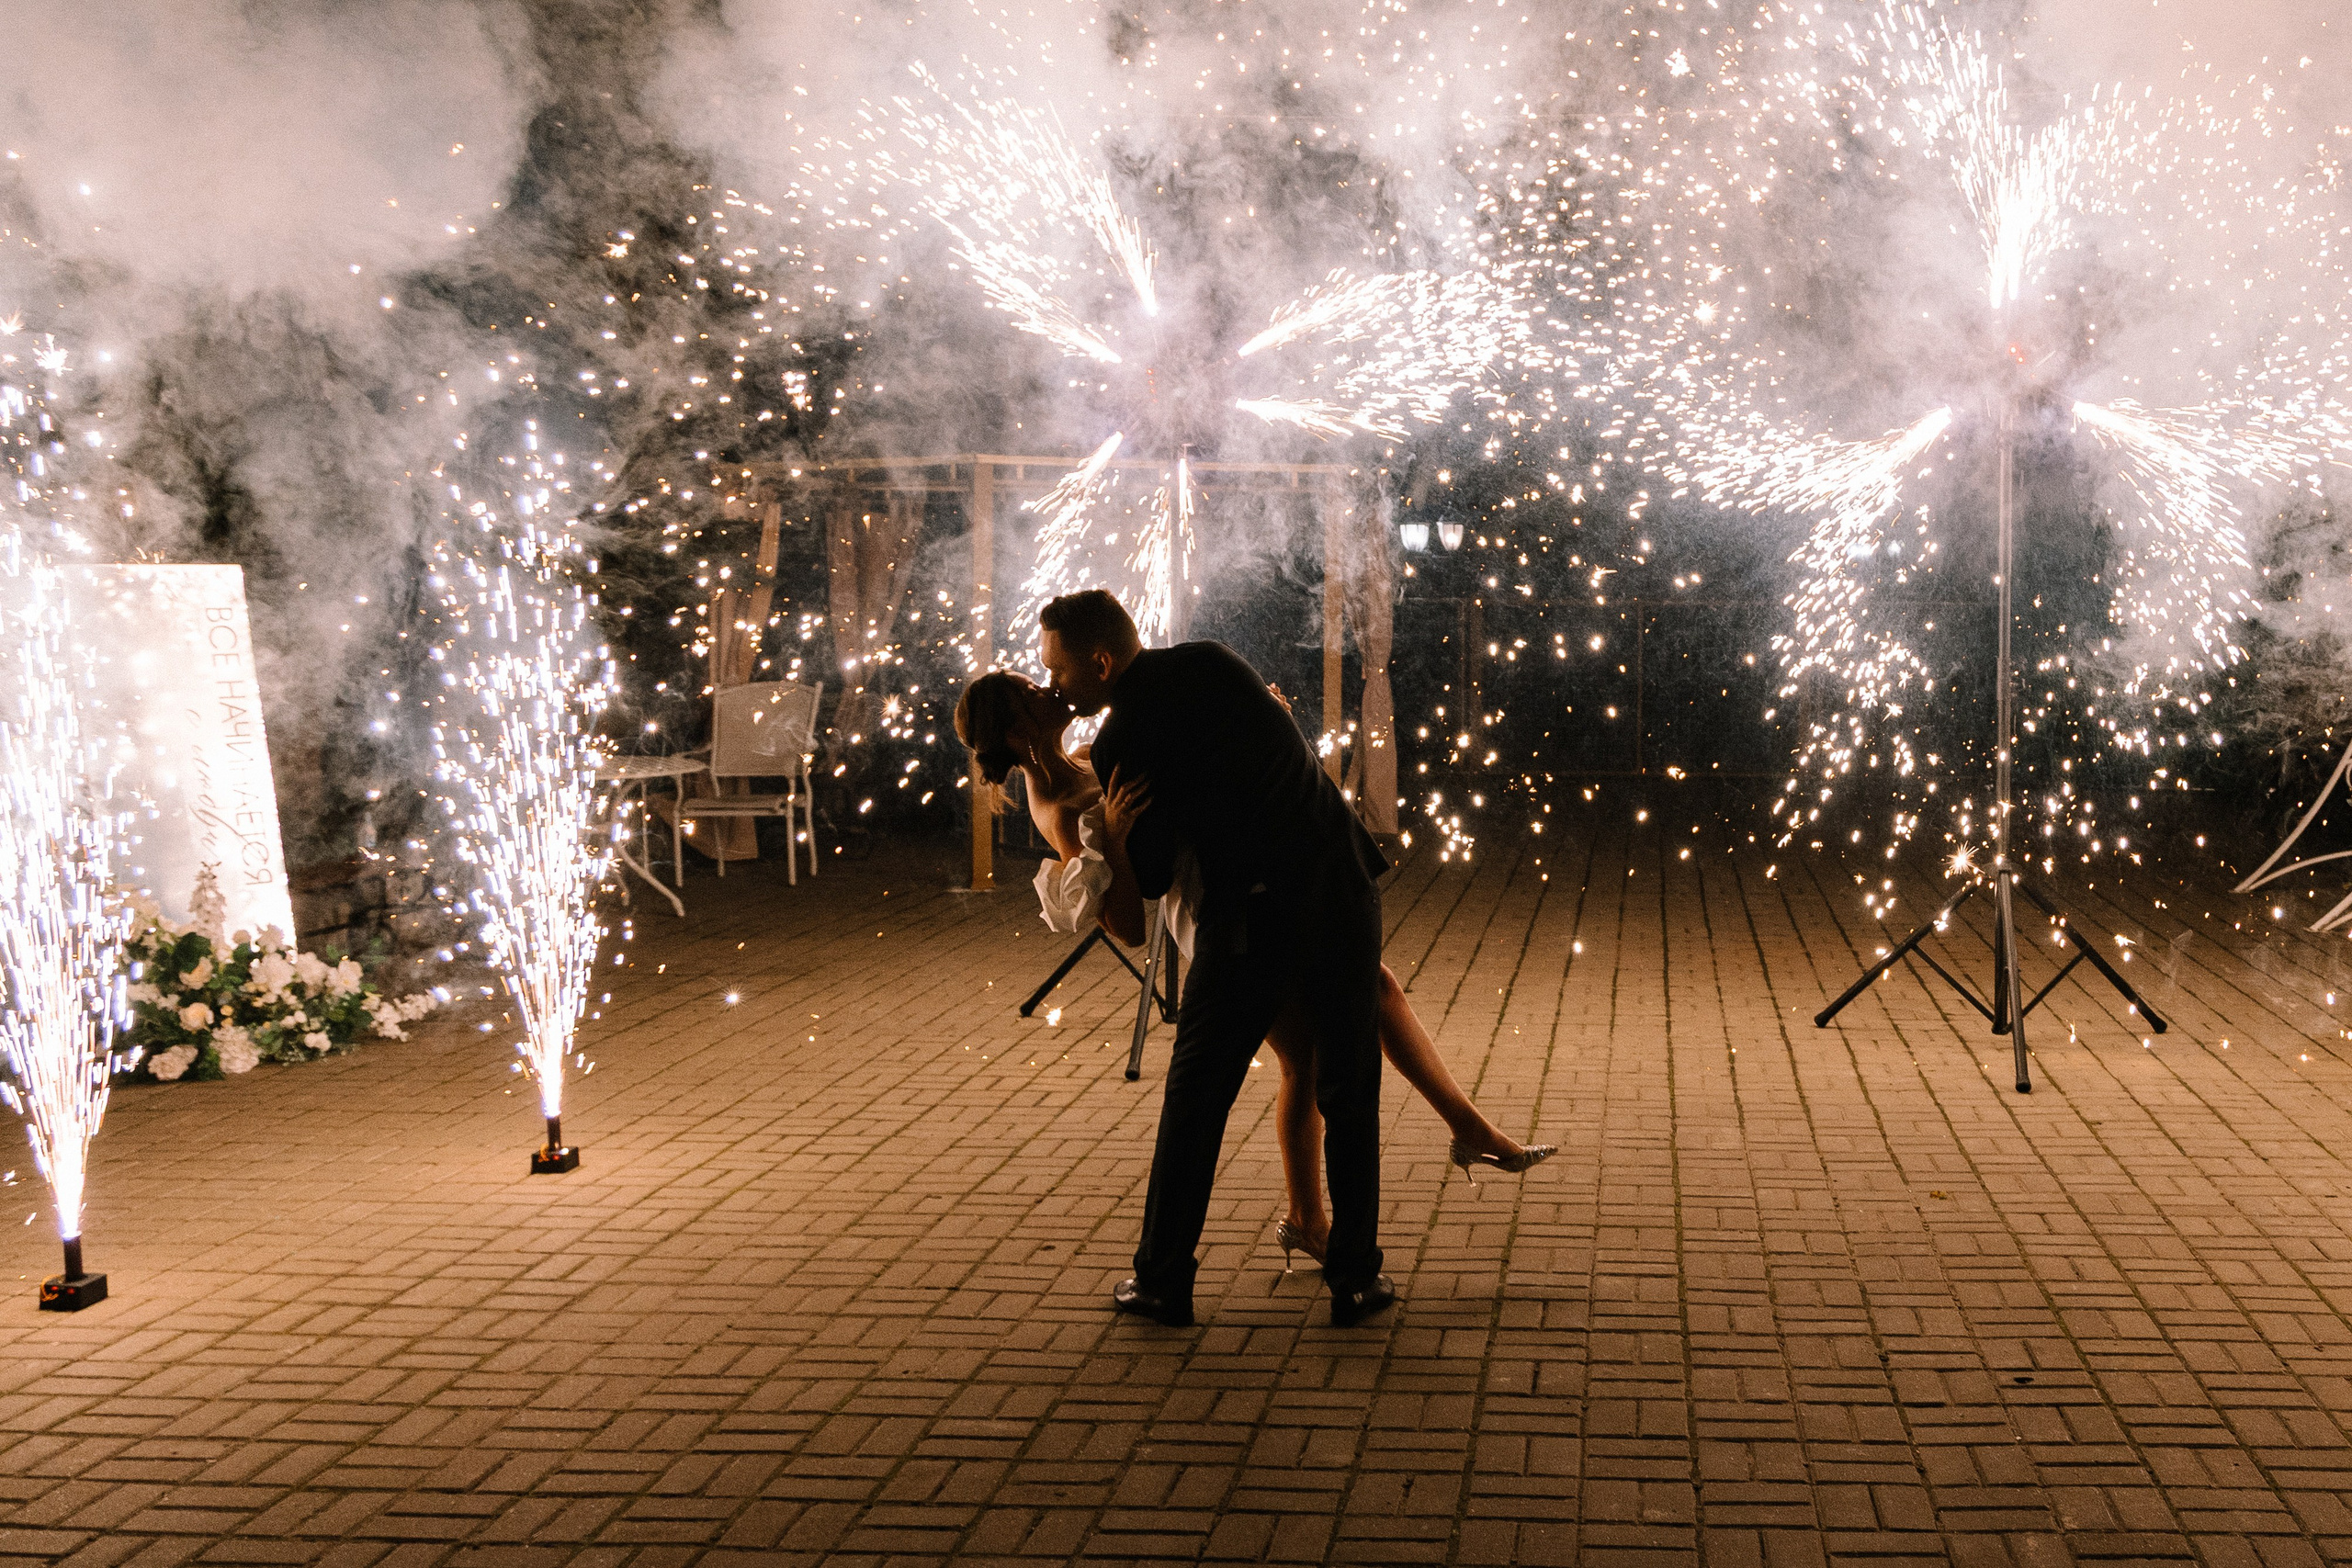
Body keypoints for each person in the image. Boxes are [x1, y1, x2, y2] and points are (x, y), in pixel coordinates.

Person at [956, 667, 1555, 1272]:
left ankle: (1335, 1202)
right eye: (1029, 696)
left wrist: (1252, 720)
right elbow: (1128, 927)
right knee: (1319, 1043)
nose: (1045, 687)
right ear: (1013, 732)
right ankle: (1365, 1187)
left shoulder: (1086, 752)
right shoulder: (1057, 809)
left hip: (1242, 882)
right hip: (1210, 910)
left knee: (1349, 1011)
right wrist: (1111, 832)